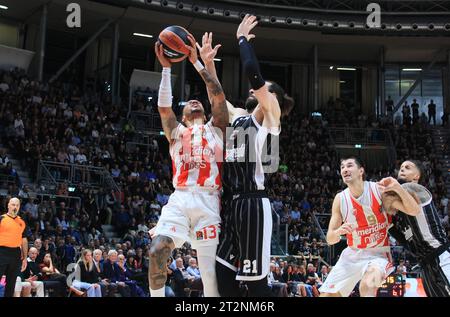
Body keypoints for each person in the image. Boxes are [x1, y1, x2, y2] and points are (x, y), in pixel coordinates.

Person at [209, 15, 294, 297]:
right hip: (232, 203)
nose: (252, 89)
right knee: (222, 270)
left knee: (255, 283)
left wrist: (242, 39)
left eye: (261, 89)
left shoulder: (272, 118)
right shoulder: (239, 118)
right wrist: (205, 64)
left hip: (254, 204)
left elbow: (253, 74)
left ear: (272, 98)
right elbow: (217, 97)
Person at [148, 32, 228, 298]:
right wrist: (166, 69)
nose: (195, 101)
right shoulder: (175, 133)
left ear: (204, 113)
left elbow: (217, 97)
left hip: (208, 201)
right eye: (188, 104)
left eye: (198, 103)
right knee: (158, 249)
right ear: (182, 116)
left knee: (209, 278)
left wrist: (197, 63)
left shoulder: (216, 129)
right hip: (180, 198)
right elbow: (163, 110)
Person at [319, 157, 420, 297]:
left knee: (367, 286)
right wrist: (338, 232)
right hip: (352, 254)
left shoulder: (379, 190)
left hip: (378, 254)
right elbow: (330, 239)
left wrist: (397, 187)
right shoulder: (340, 199)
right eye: (342, 167)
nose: (345, 169)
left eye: (349, 165)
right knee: (327, 296)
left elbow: (414, 210)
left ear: (361, 171)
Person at [387, 160, 450, 296]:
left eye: (407, 167)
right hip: (425, 266)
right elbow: (407, 243)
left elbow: (398, 199)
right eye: (401, 167)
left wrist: (386, 199)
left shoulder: (418, 190)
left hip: (441, 257)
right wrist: (389, 226)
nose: (402, 169)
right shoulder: (401, 213)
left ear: (417, 176)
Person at [0, 197, 29, 297]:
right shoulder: (1, 219)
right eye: (13, 204)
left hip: (15, 254)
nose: (15, 207)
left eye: (17, 205)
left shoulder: (22, 222)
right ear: (8, 205)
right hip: (1, 252)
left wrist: (25, 258)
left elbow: (24, 240)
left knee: (11, 284)